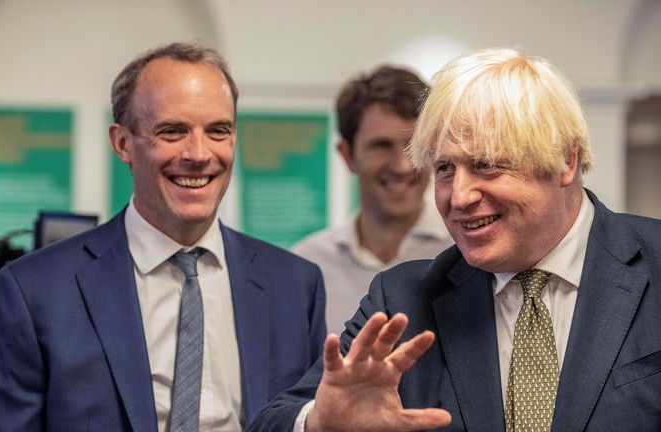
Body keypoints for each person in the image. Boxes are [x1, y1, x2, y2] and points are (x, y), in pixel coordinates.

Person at [250, 47, 661, 431]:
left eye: (486, 164)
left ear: (565, 160)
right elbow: (275, 418)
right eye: (445, 168)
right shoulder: (405, 298)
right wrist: (322, 421)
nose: (458, 197)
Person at [0, 42, 326, 431]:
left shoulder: (295, 287)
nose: (198, 153)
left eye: (218, 130)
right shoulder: (35, 291)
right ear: (123, 143)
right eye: (172, 131)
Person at [292, 66, 452, 334]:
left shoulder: (466, 254)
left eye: (414, 146)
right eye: (381, 146)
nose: (401, 166)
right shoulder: (306, 268)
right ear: (347, 155)